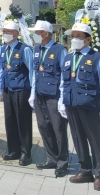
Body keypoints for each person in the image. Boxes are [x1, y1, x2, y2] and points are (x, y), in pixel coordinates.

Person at [60, 22, 100, 191]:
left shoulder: (97, 57)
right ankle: (85, 170)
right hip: (71, 103)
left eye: (79, 36)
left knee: (94, 139)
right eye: (73, 36)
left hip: (89, 104)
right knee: (77, 137)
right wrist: (62, 100)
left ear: (88, 40)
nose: (74, 39)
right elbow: (63, 81)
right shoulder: (68, 57)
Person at [28, 20, 68, 177]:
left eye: (36, 32)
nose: (34, 35)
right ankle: (51, 158)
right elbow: (35, 72)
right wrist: (32, 93)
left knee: (59, 129)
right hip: (39, 94)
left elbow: (65, 75)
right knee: (43, 127)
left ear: (45, 33)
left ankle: (62, 162)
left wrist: (63, 99)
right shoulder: (37, 49)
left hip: (54, 96)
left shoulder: (59, 50)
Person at [0, 20, 34, 166]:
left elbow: (31, 71)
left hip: (21, 90)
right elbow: (2, 69)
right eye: (4, 31)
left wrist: (32, 93)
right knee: (9, 121)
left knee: (23, 123)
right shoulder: (3, 49)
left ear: (16, 34)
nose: (5, 34)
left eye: (8, 32)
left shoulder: (24, 49)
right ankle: (13, 150)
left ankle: (26, 153)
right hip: (8, 89)